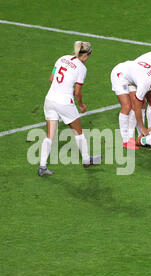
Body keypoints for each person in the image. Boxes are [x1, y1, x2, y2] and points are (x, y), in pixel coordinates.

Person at [38, 41, 101, 176]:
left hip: (49, 100)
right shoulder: (82, 68)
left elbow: (51, 78)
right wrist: (82, 105)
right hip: (65, 102)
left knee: (50, 136)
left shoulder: (62, 58)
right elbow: (77, 92)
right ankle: (86, 160)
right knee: (79, 133)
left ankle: (42, 166)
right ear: (87, 55)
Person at [110, 59, 151, 149]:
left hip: (132, 74)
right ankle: (125, 141)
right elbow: (137, 108)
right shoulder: (144, 84)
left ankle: (139, 135)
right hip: (120, 75)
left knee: (143, 104)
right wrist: (143, 127)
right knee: (127, 106)